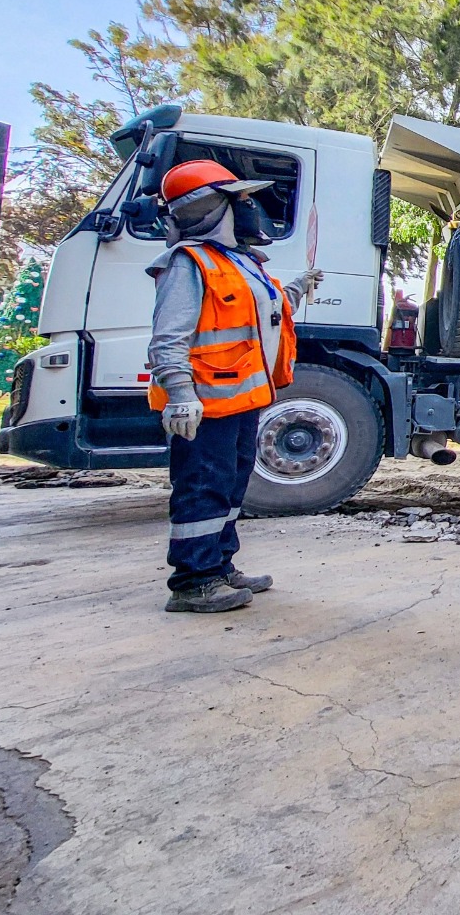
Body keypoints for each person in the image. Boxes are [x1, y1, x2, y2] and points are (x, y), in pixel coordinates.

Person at [147, 159, 323, 614]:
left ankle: (219, 565)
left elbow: (269, 310)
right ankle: (192, 582)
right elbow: (169, 337)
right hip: (205, 404)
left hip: (243, 400)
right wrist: (181, 396)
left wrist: (300, 287)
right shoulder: (189, 263)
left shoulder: (242, 262)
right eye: (241, 198)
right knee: (202, 485)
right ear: (212, 207)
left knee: (229, 485)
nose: (251, 207)